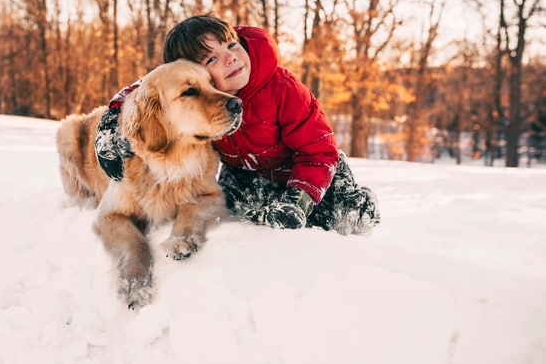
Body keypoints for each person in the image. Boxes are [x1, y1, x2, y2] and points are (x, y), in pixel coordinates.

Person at [95, 14, 380, 235]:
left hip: (312, 169)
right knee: (229, 207)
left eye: (232, 45)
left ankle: (355, 208)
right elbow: (148, 88)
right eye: (212, 58)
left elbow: (318, 150)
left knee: (334, 215)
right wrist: (112, 121)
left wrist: (298, 200)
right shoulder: (202, 99)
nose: (231, 57)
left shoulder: (283, 89)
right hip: (247, 173)